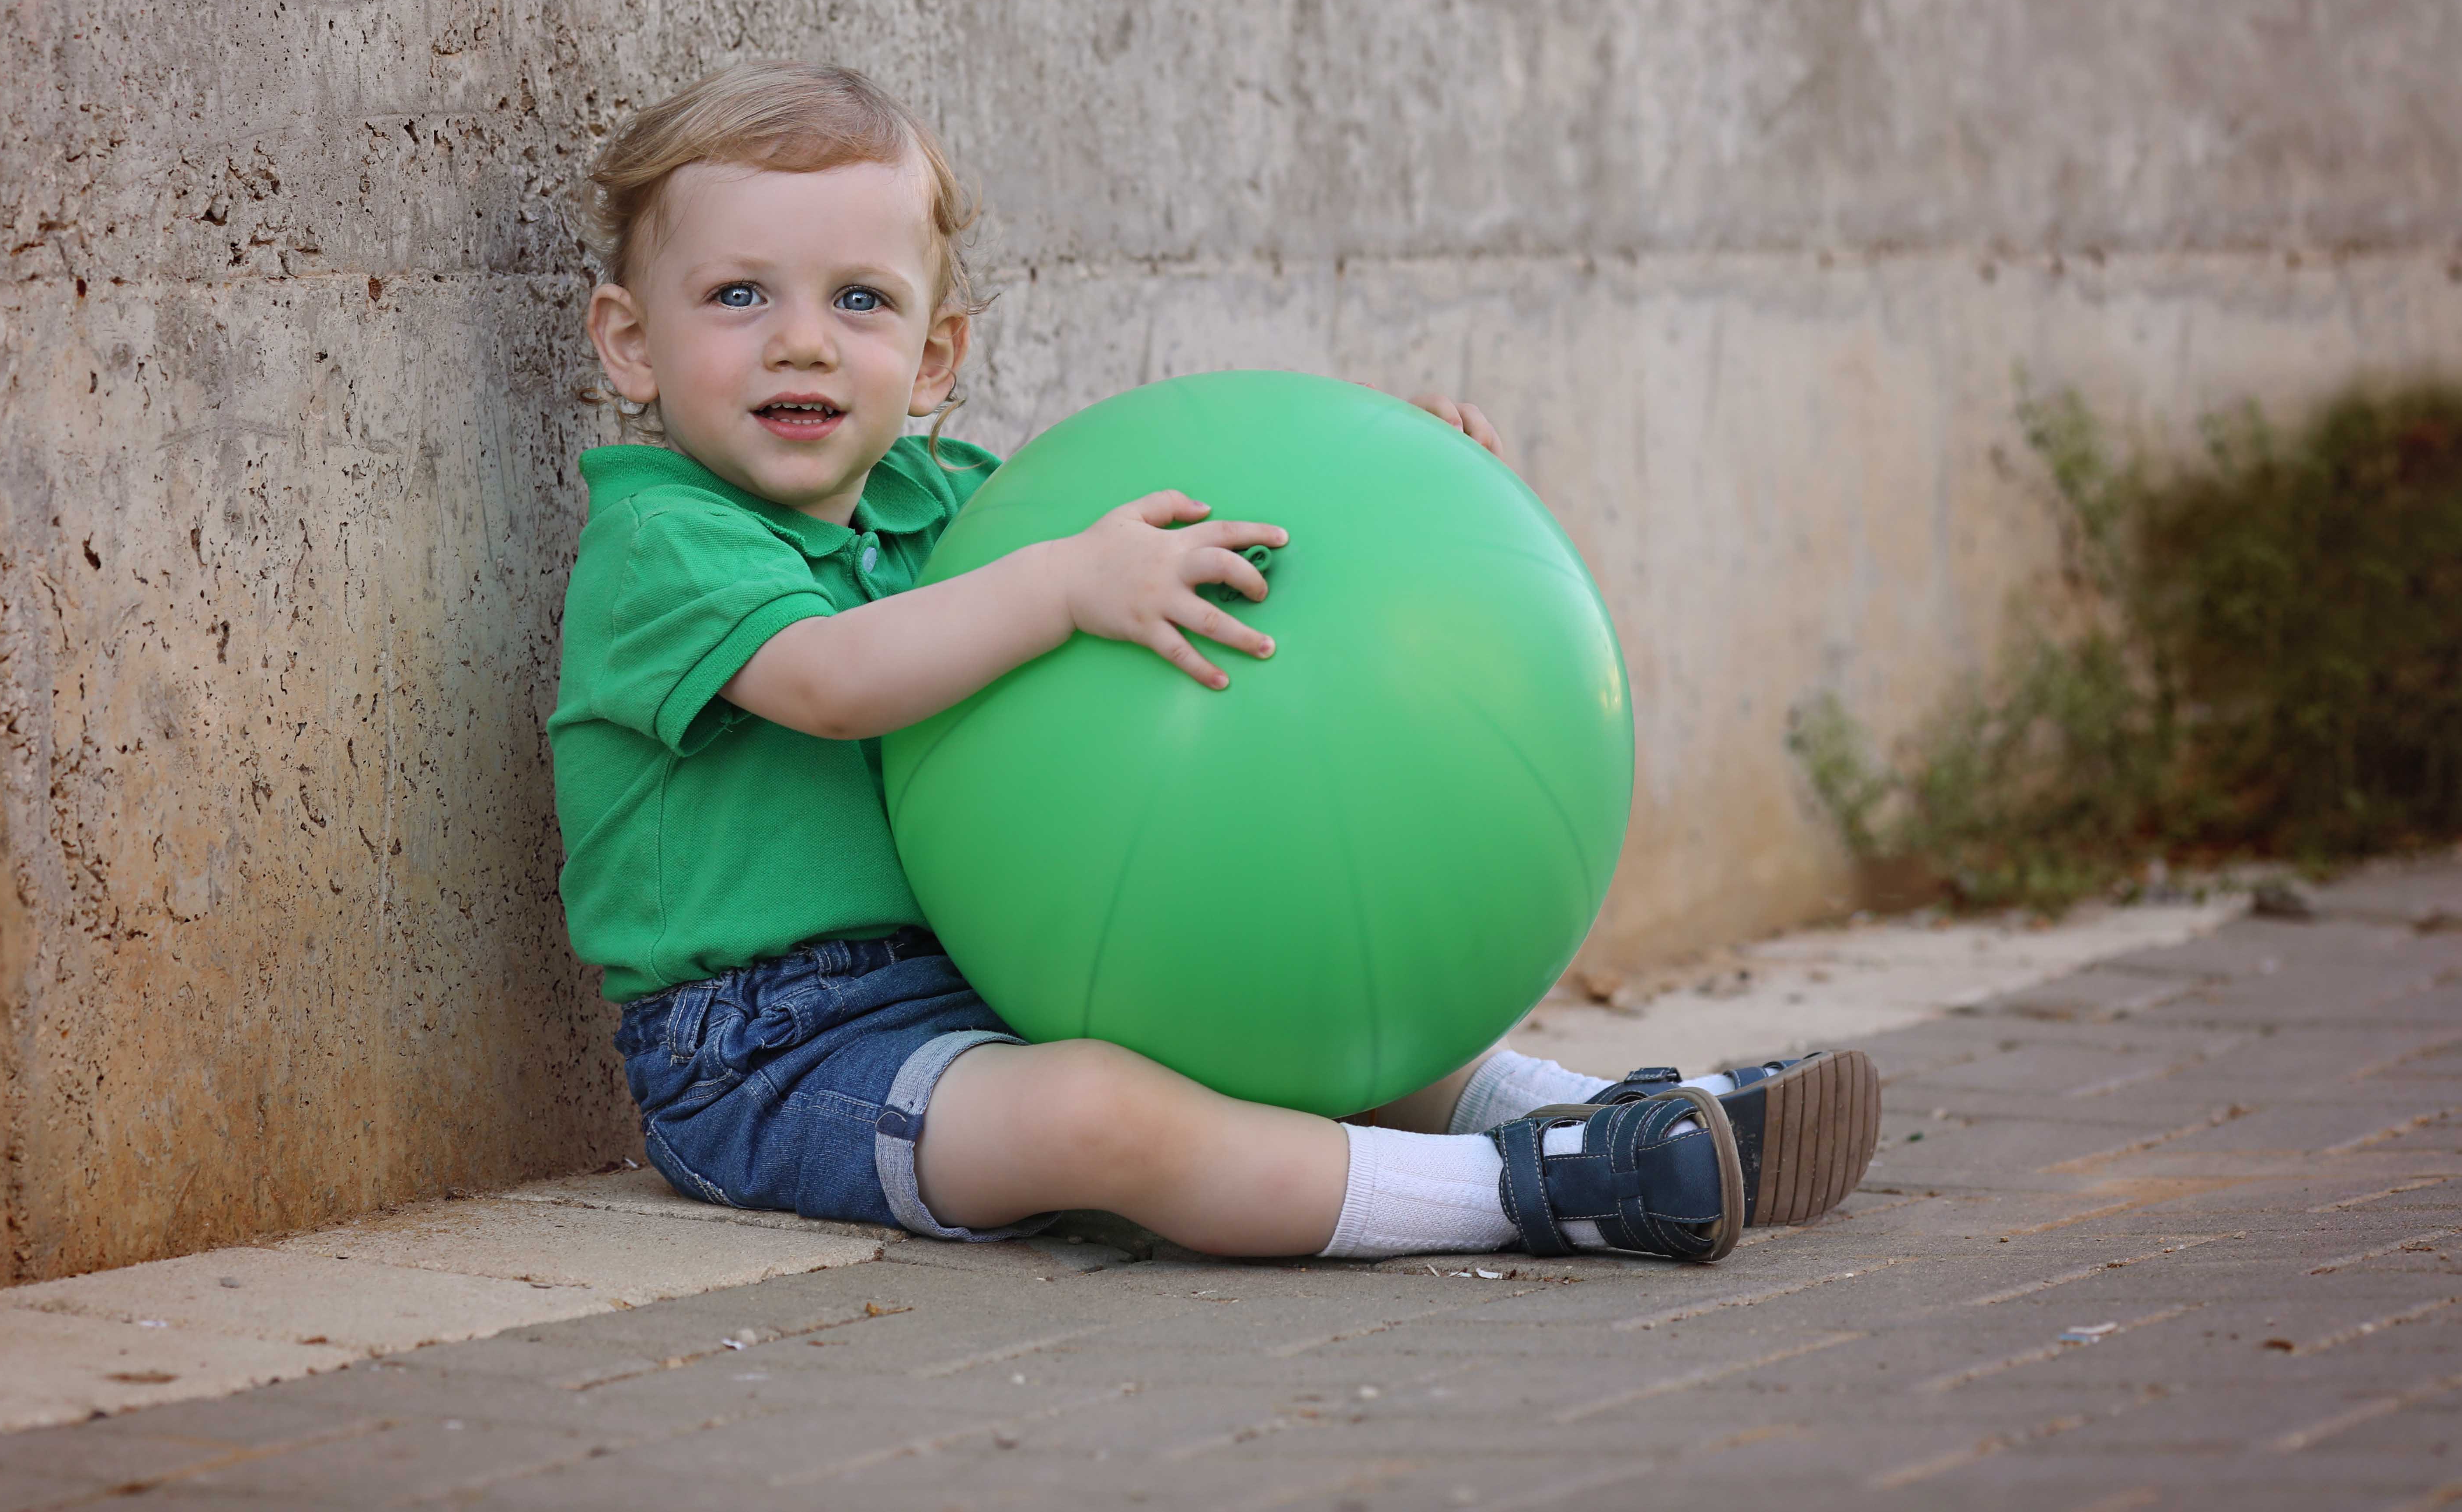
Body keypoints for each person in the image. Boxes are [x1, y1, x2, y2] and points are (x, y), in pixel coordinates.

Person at [548, 61, 1879, 1266]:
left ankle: (1637, 1123)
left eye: (859, 300)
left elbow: (1190, 540)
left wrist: (1398, 497)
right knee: (1103, 1116)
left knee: (1304, 1021)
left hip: (996, 967)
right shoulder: (664, 539)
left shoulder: (946, 506)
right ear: (629, 341)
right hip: (773, 1060)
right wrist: (1065, 583)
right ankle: (1525, 1190)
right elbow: (830, 682)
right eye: (738, 295)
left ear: (936, 354)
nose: (802, 339)